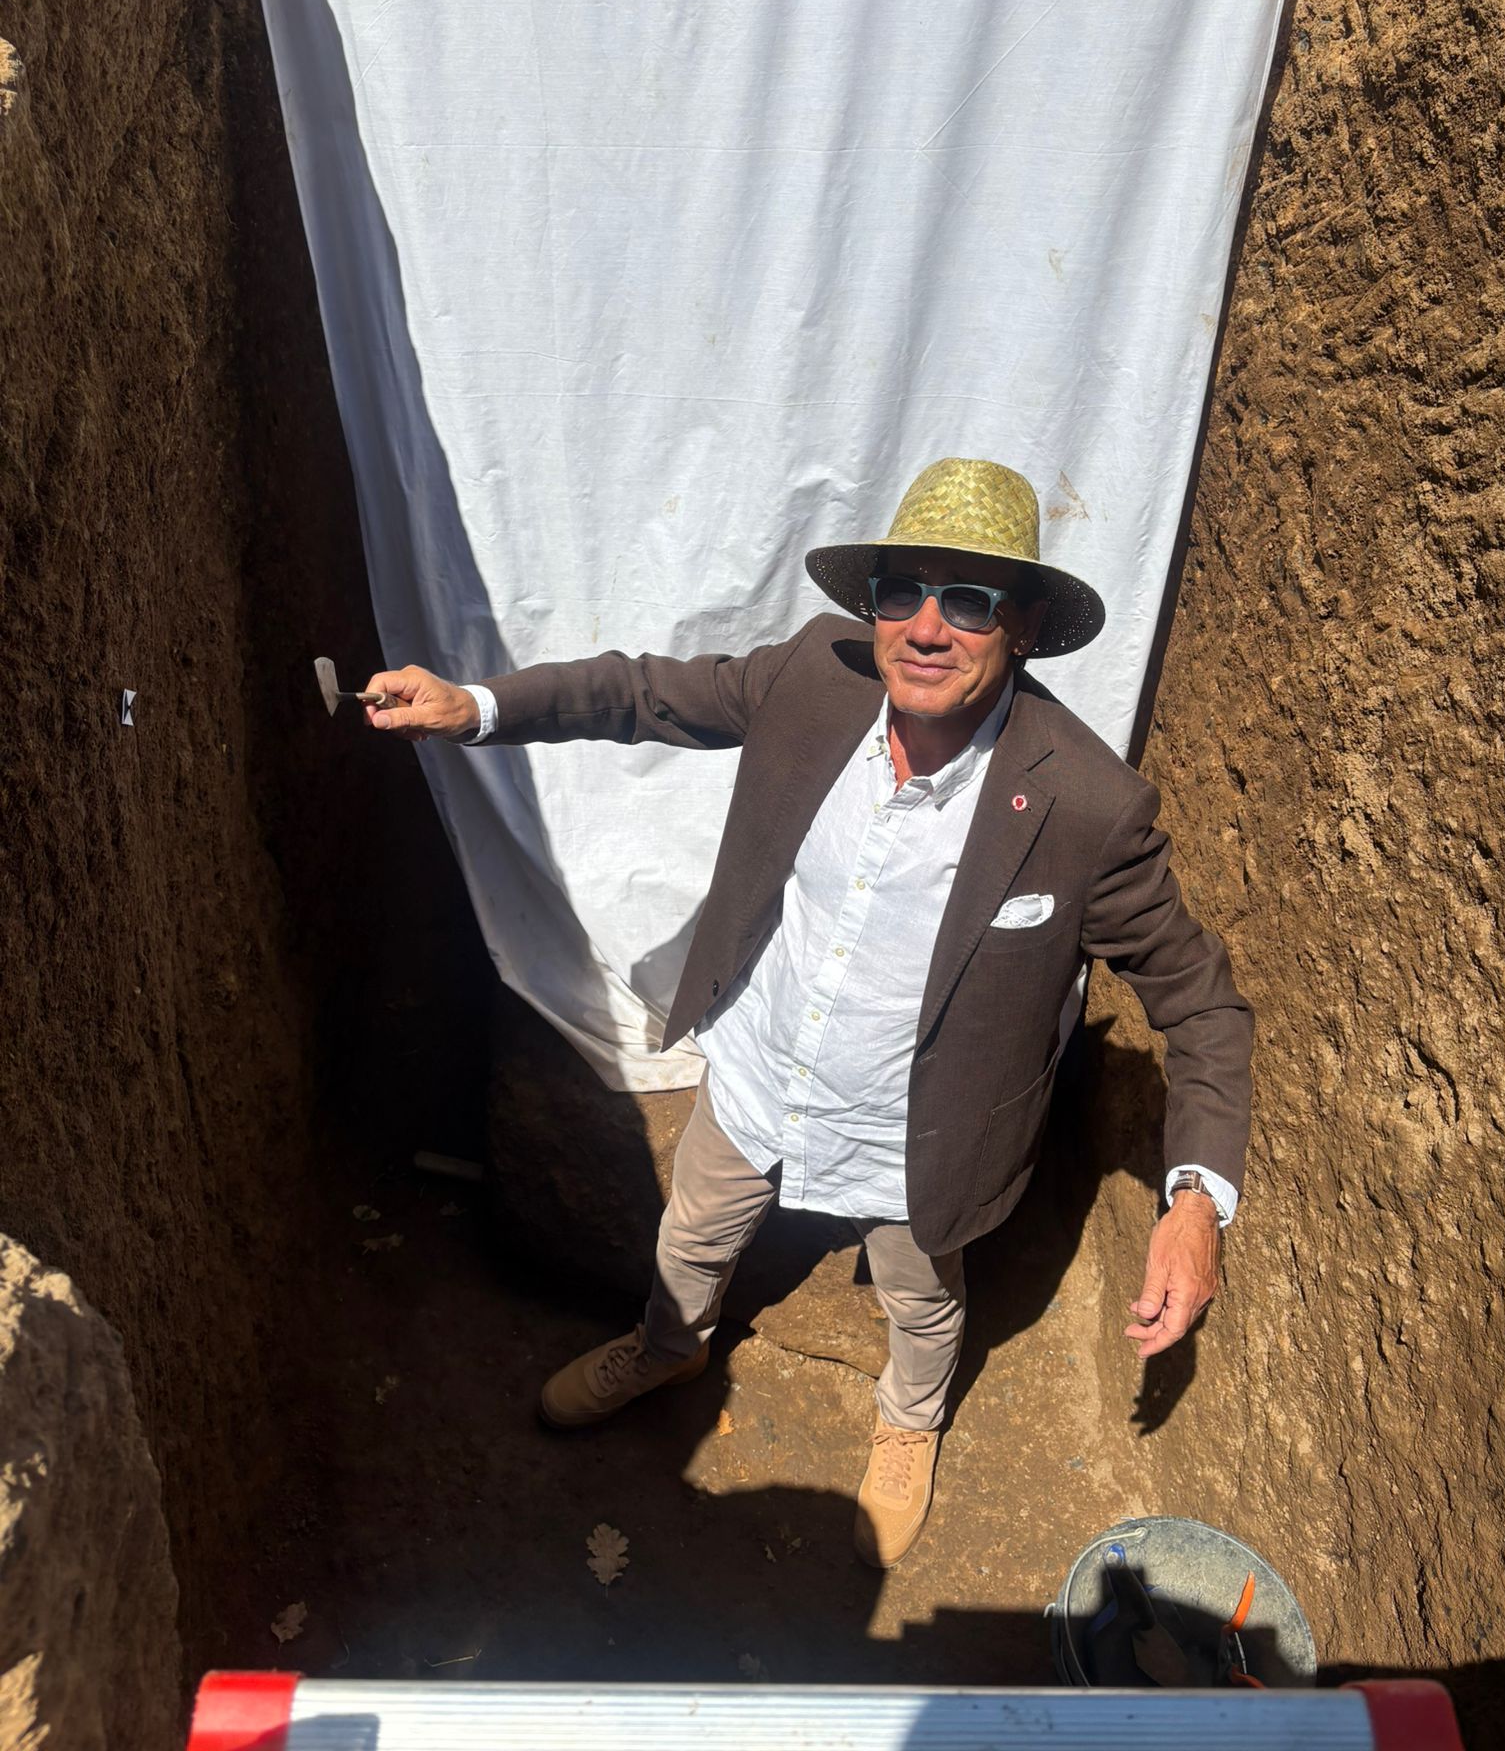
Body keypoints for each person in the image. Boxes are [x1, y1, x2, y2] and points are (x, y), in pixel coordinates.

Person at [363, 457, 1251, 1568]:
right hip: (764, 1066)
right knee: (691, 1233)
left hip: (920, 1129)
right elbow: (642, 692)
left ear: (1024, 626)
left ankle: (909, 1422)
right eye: (902, 592)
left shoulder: (1085, 805)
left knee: (922, 1302)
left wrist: (1194, 1202)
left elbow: (1201, 1003)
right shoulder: (814, 679)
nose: (926, 627)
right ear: (871, 607)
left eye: (969, 601)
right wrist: (475, 706)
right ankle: (668, 1346)